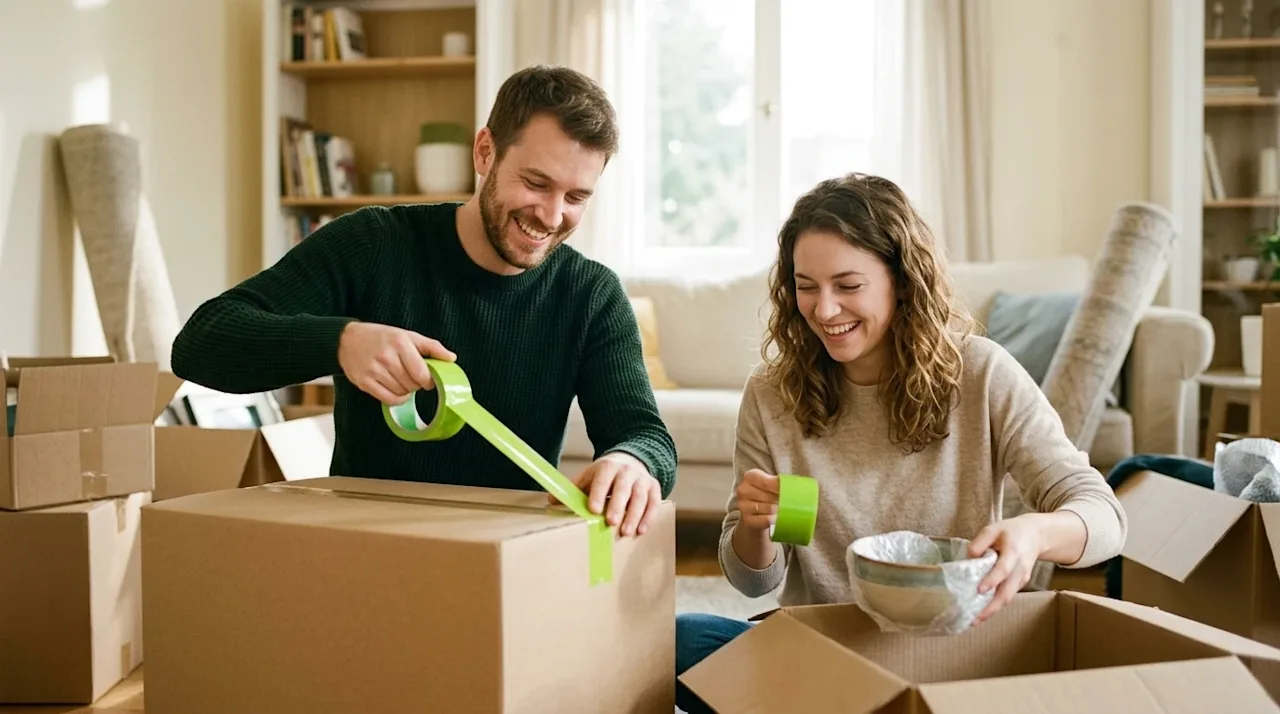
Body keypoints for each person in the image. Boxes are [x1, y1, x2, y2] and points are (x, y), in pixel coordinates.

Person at [674, 173, 1127, 711]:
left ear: (902, 281)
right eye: (806, 286)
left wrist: (1034, 532)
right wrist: (755, 527)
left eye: (848, 285)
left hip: (950, 659)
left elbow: (1105, 518)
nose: (823, 310)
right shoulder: (772, 395)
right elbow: (754, 582)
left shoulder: (981, 375)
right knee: (677, 641)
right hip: (822, 649)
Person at [170, 65, 676, 538]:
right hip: (365, 539)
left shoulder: (592, 296)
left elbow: (646, 436)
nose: (551, 215)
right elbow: (201, 343)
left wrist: (633, 462)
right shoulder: (373, 245)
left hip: (505, 549)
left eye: (576, 198)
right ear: (485, 152)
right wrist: (341, 341)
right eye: (536, 183)